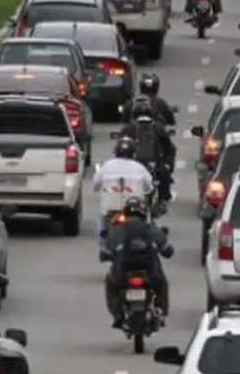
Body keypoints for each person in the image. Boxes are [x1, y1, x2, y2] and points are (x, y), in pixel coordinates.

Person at [100, 198, 173, 328]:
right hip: (151, 275)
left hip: (122, 275)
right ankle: (161, 312)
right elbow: (168, 251)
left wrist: (112, 255)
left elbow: (103, 254)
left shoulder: (117, 231)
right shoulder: (151, 229)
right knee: (162, 284)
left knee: (110, 284)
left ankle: (117, 315)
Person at [93, 137, 155, 237]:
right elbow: (149, 186)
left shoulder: (107, 165)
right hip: (134, 209)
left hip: (110, 208)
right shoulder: (139, 167)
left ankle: (102, 237)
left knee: (102, 218)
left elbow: (96, 184)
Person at [119, 97, 175, 203]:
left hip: (139, 168)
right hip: (151, 166)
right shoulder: (158, 127)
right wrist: (168, 165)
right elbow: (169, 148)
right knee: (164, 172)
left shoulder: (128, 128)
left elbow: (119, 149)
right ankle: (163, 198)